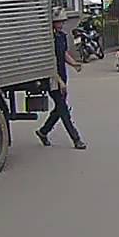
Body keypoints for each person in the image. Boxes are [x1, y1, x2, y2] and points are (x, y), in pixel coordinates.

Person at [36, 8, 87, 150]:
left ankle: (43, 131)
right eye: (59, 22)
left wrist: (74, 64)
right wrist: (59, 81)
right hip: (52, 79)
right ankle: (76, 139)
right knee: (63, 109)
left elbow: (63, 54)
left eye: (62, 22)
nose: (61, 24)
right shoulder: (48, 40)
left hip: (62, 76)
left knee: (60, 108)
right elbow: (49, 63)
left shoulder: (61, 36)